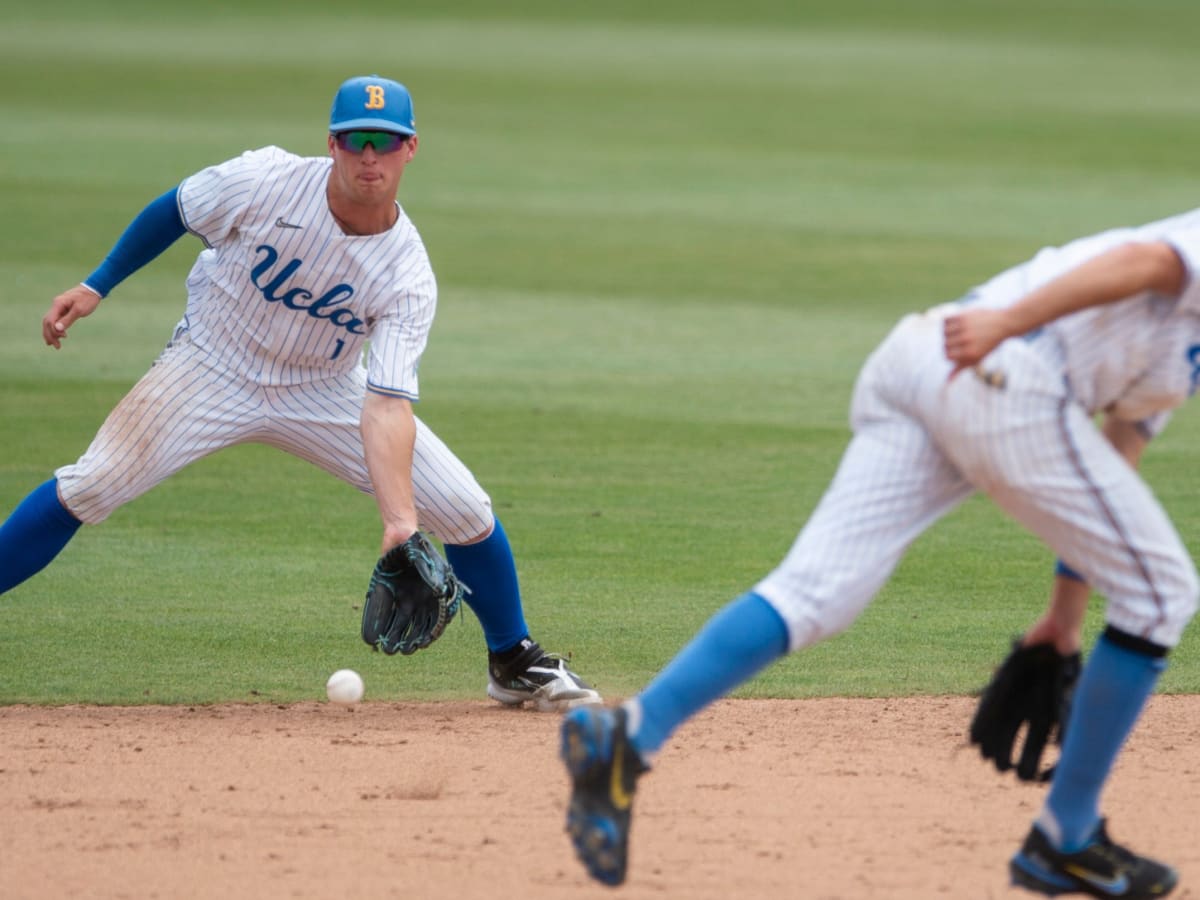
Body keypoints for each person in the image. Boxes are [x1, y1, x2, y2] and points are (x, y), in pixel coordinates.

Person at [560, 212, 1200, 897]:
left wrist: (1064, 621)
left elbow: (1118, 450)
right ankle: (1065, 836)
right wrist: (1008, 325)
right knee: (1163, 594)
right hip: (1000, 364)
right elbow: (1149, 260)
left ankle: (632, 733)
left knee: (816, 593)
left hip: (931, 362)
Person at [0, 74, 599, 713]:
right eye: (356, 140)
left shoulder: (406, 272)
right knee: (91, 484)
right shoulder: (264, 179)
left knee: (465, 508)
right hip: (211, 364)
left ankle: (512, 660)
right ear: (333, 144)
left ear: (410, 149)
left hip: (323, 387)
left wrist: (400, 521)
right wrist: (98, 285)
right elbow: (175, 209)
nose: (370, 156)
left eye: (386, 143)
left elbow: (388, 403)